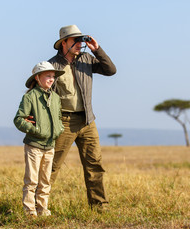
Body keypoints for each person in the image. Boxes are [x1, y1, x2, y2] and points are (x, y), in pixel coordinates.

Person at [48, 24, 117, 210]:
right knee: (52, 166)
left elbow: (111, 70)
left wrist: (97, 49)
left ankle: (100, 207)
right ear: (64, 43)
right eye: (75, 40)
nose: (80, 44)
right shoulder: (52, 65)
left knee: (94, 165)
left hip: (88, 120)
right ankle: (38, 206)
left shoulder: (87, 58)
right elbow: (43, 96)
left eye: (81, 40)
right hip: (64, 121)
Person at [13, 61, 65, 217]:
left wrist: (59, 129)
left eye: (53, 77)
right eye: (48, 76)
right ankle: (30, 212)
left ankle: (43, 210)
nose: (51, 79)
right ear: (37, 77)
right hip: (34, 145)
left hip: (50, 146)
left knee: (45, 181)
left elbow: (58, 117)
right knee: (31, 180)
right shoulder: (30, 97)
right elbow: (18, 119)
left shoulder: (55, 97)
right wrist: (35, 130)